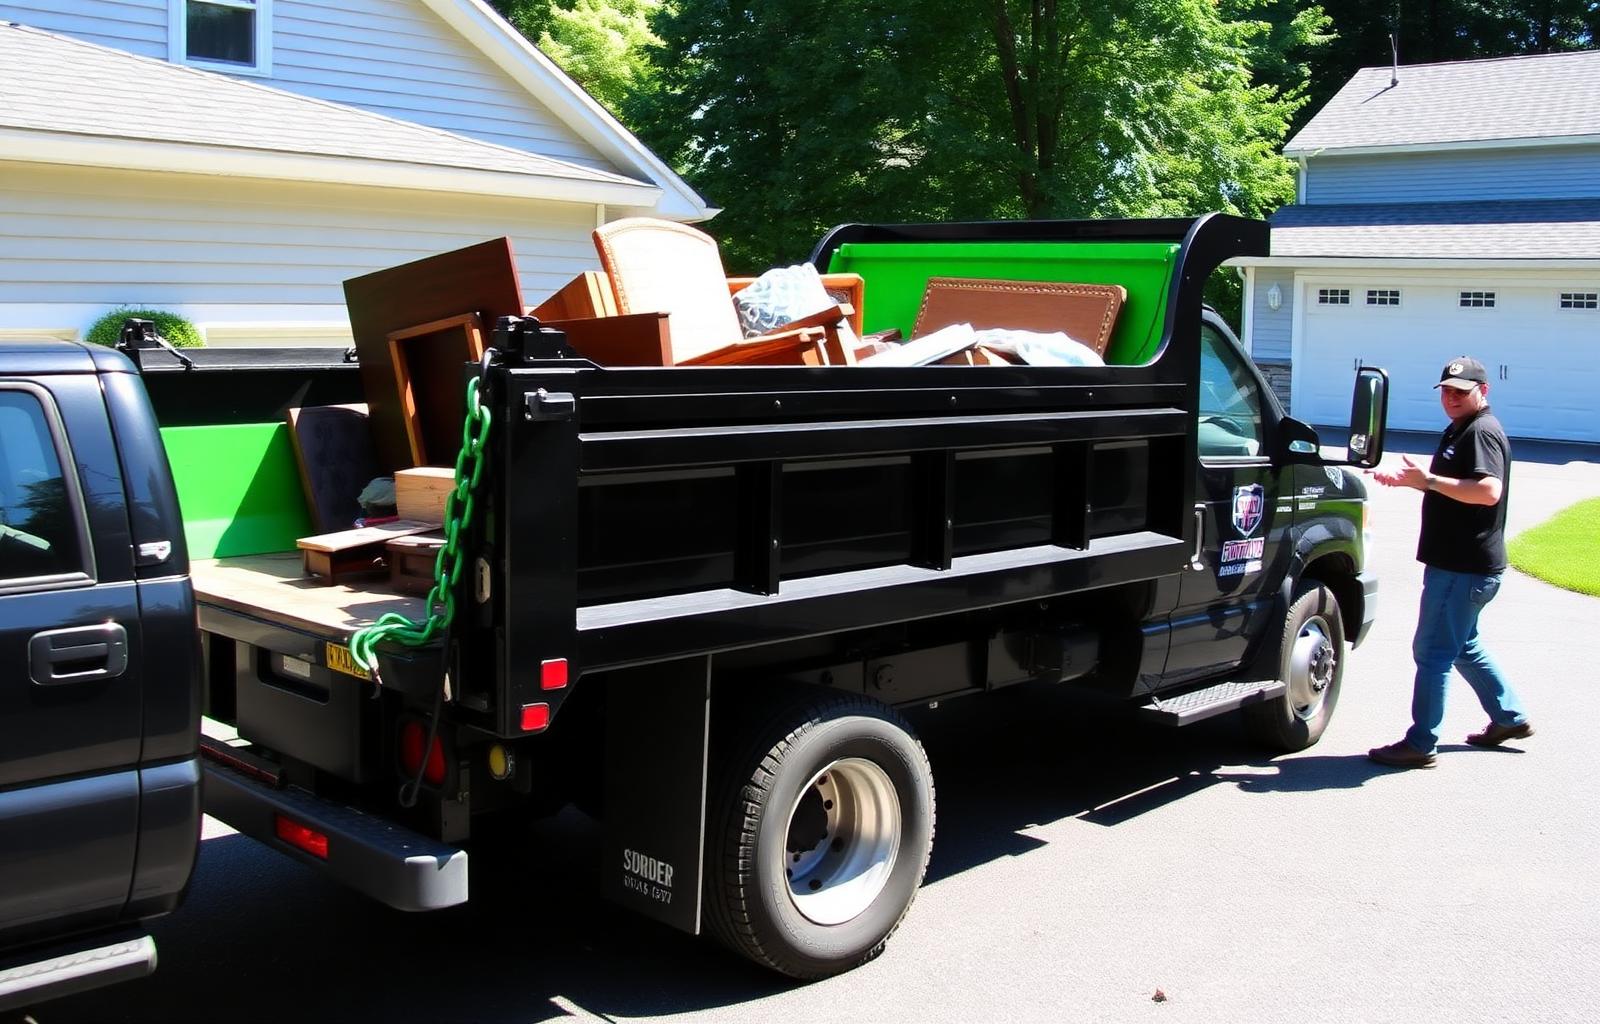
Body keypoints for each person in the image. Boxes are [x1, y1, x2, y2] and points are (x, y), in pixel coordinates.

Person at [1367, 356, 1532, 769]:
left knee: (1433, 651)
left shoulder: (1481, 432)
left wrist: (1429, 481)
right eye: (1446, 391)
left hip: (1463, 568)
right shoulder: (1462, 428)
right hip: (1465, 566)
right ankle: (1509, 717)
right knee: (1464, 646)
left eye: (1462, 391)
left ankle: (1421, 743)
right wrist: (1413, 483)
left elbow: (1488, 491)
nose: (1452, 398)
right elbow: (1457, 491)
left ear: (1483, 391)